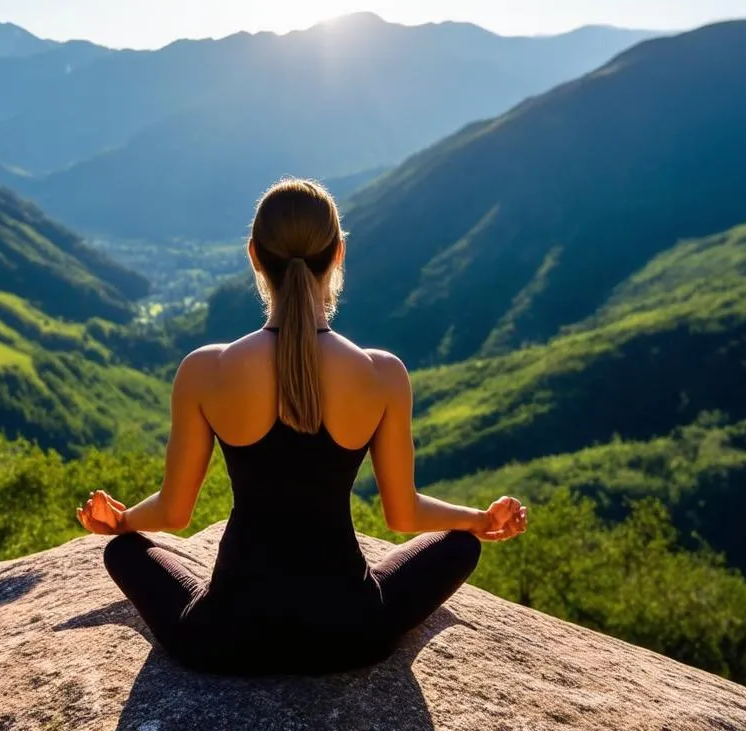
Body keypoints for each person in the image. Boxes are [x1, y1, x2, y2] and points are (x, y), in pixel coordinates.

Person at [76, 177, 527, 676]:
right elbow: (403, 513)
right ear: (338, 254)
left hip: (224, 637)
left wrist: (120, 522)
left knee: (124, 552)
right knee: (460, 544)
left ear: (254, 255)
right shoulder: (383, 374)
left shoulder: (205, 370)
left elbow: (174, 512)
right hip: (353, 634)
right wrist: (479, 520)